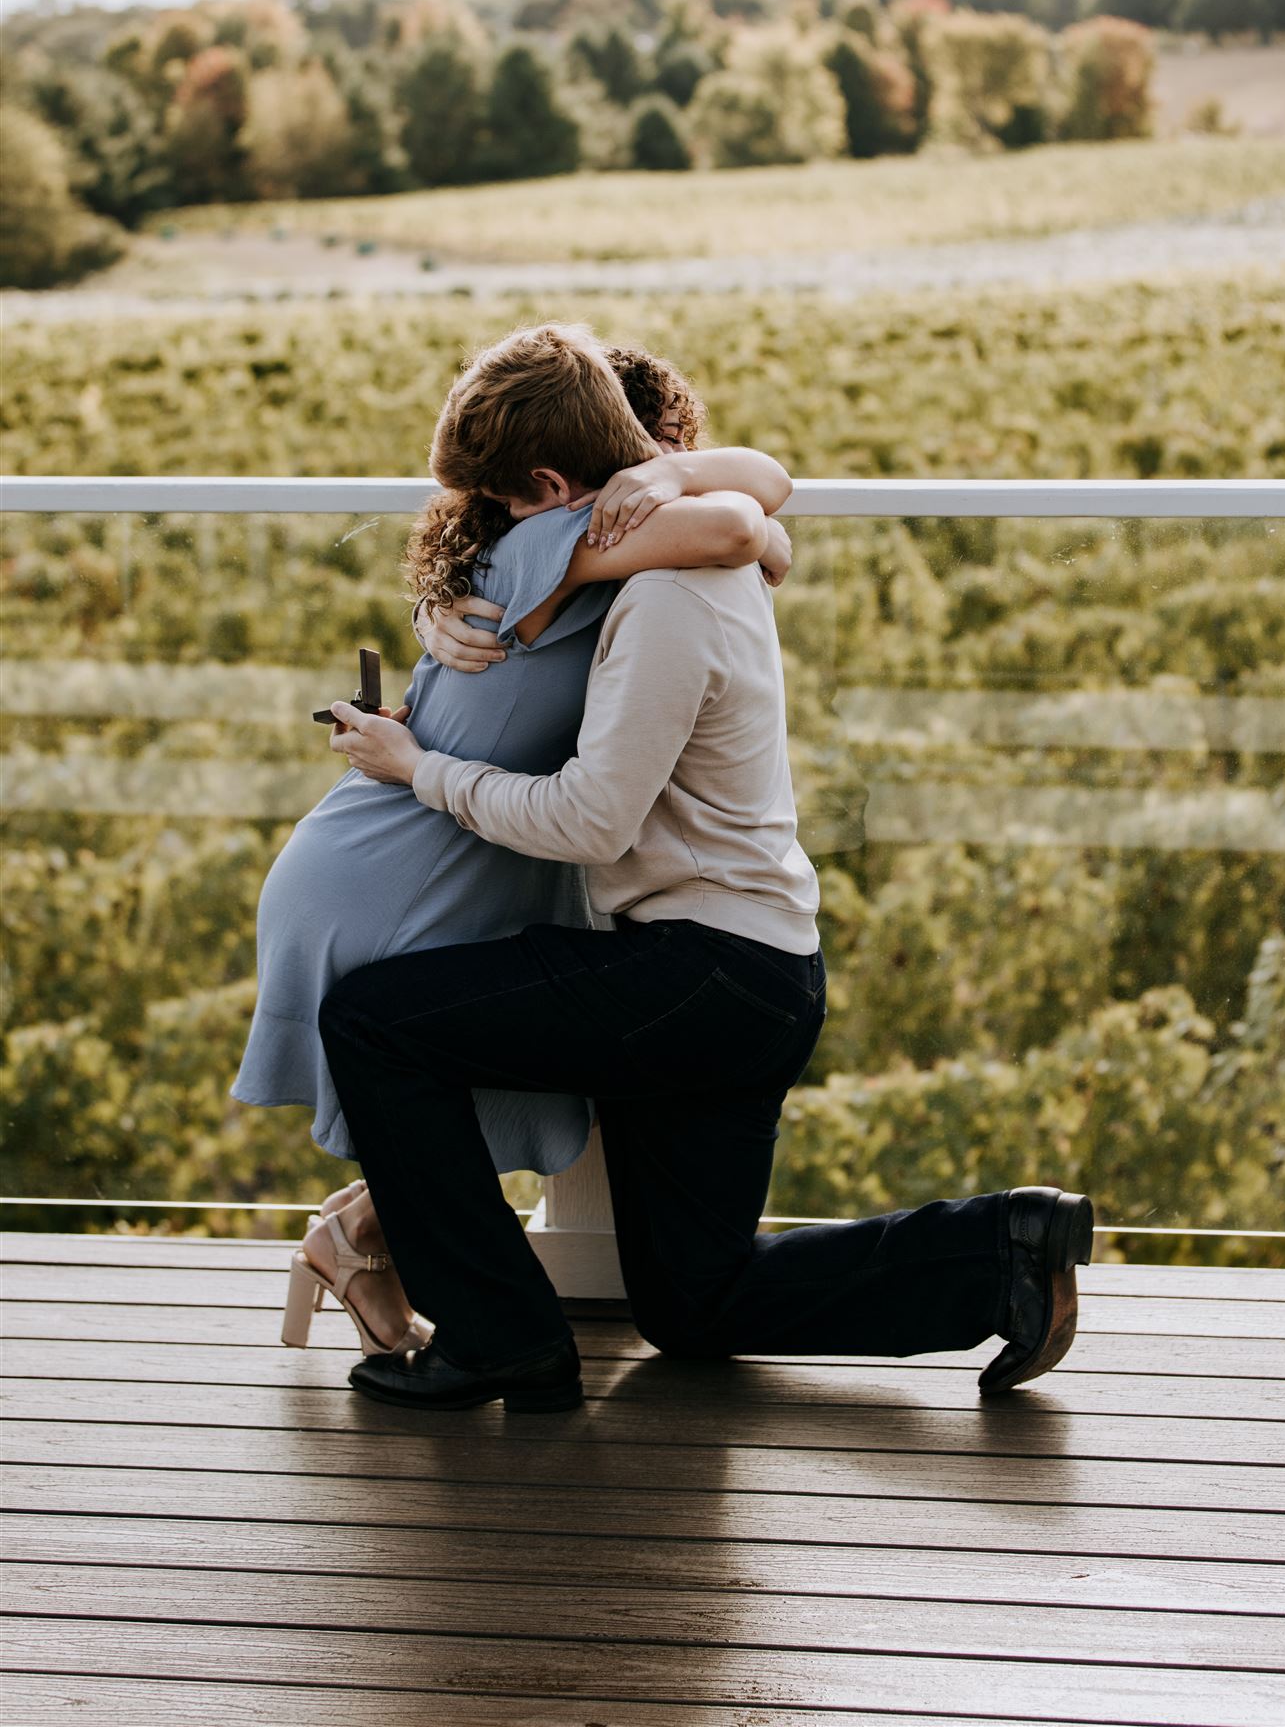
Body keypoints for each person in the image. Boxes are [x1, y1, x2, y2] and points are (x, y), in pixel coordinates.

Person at [318, 332, 1094, 1411]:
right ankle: (999, 1248)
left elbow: (590, 819)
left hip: (701, 973)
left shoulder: (672, 597)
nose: (501, 532)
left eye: (506, 509)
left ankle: (499, 1338)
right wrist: (442, 618)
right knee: (694, 1305)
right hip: (744, 972)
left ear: (557, 489)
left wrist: (420, 768)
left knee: (370, 1018)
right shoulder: (669, 573)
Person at [233, 326, 794, 1354]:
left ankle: (361, 1242)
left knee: (463, 1059)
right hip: (403, 854)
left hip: (447, 839)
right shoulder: (559, 536)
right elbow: (746, 527)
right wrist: (668, 481)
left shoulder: (559, 543)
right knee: (434, 1055)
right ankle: (389, 1257)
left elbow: (761, 515)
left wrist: (661, 477)